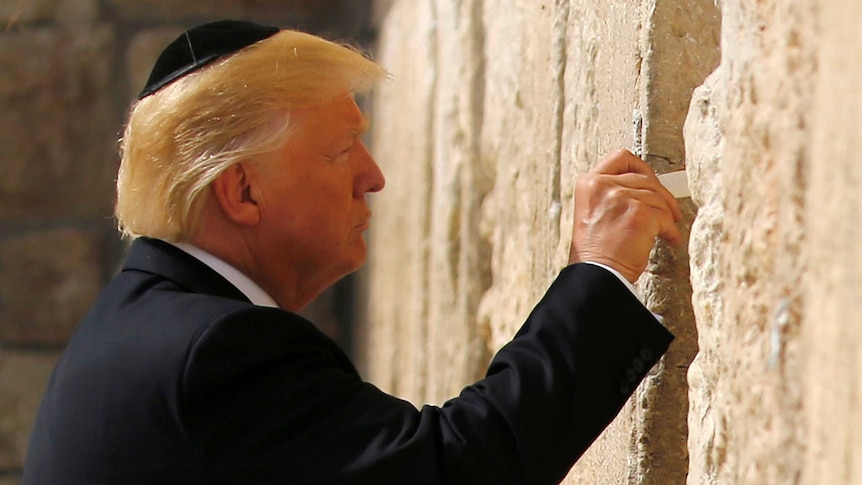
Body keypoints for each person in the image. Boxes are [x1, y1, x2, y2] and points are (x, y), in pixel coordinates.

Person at [23, 20, 682, 485]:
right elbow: (454, 469)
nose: (373, 176)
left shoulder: (140, 329)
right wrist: (599, 272)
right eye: (341, 149)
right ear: (243, 189)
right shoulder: (214, 354)